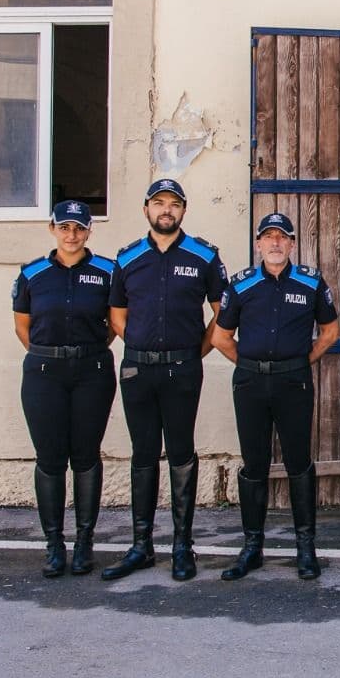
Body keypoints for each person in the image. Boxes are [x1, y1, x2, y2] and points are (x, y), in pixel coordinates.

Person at [102, 179, 228, 582]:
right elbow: (117, 316)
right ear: (146, 210)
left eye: (174, 204)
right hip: (138, 369)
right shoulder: (127, 258)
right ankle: (141, 545)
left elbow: (222, 314)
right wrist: (140, 345)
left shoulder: (204, 256)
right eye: (159, 203)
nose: (166, 210)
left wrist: (196, 351)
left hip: (182, 369)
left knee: (180, 453)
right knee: (142, 454)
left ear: (183, 211)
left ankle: (181, 546)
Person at [211, 212, 340, 581]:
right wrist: (252, 364)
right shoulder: (241, 285)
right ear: (258, 244)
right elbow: (221, 337)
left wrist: (300, 362)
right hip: (251, 384)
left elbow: (330, 332)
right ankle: (252, 547)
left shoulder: (311, 283)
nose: (275, 243)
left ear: (292, 243)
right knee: (254, 465)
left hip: (293, 383)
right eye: (268, 237)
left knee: (299, 462)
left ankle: (305, 548)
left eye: (282, 237)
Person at [11, 200, 117, 578]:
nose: (72, 235)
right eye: (65, 227)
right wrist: (53, 355)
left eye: (79, 228)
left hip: (93, 369)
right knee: (50, 458)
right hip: (44, 371)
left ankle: (85, 541)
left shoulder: (108, 271)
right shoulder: (32, 274)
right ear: (52, 229)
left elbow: (114, 323)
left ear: (89, 231)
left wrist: (82, 352)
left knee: (86, 455)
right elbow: (23, 326)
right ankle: (54, 543)